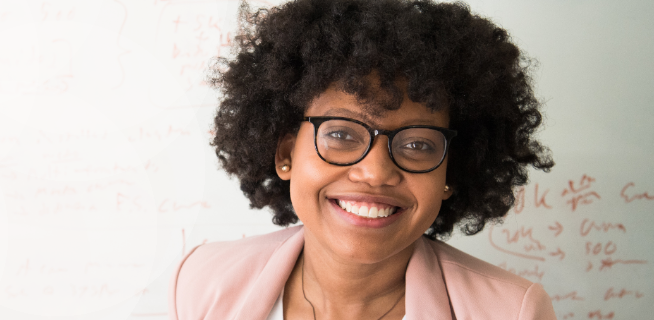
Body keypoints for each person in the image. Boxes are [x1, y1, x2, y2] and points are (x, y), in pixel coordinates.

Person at [169, 0, 556, 319]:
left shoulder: (511, 312)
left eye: (418, 144)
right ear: (286, 154)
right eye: (340, 134)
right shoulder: (201, 280)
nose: (375, 172)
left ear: (450, 171)